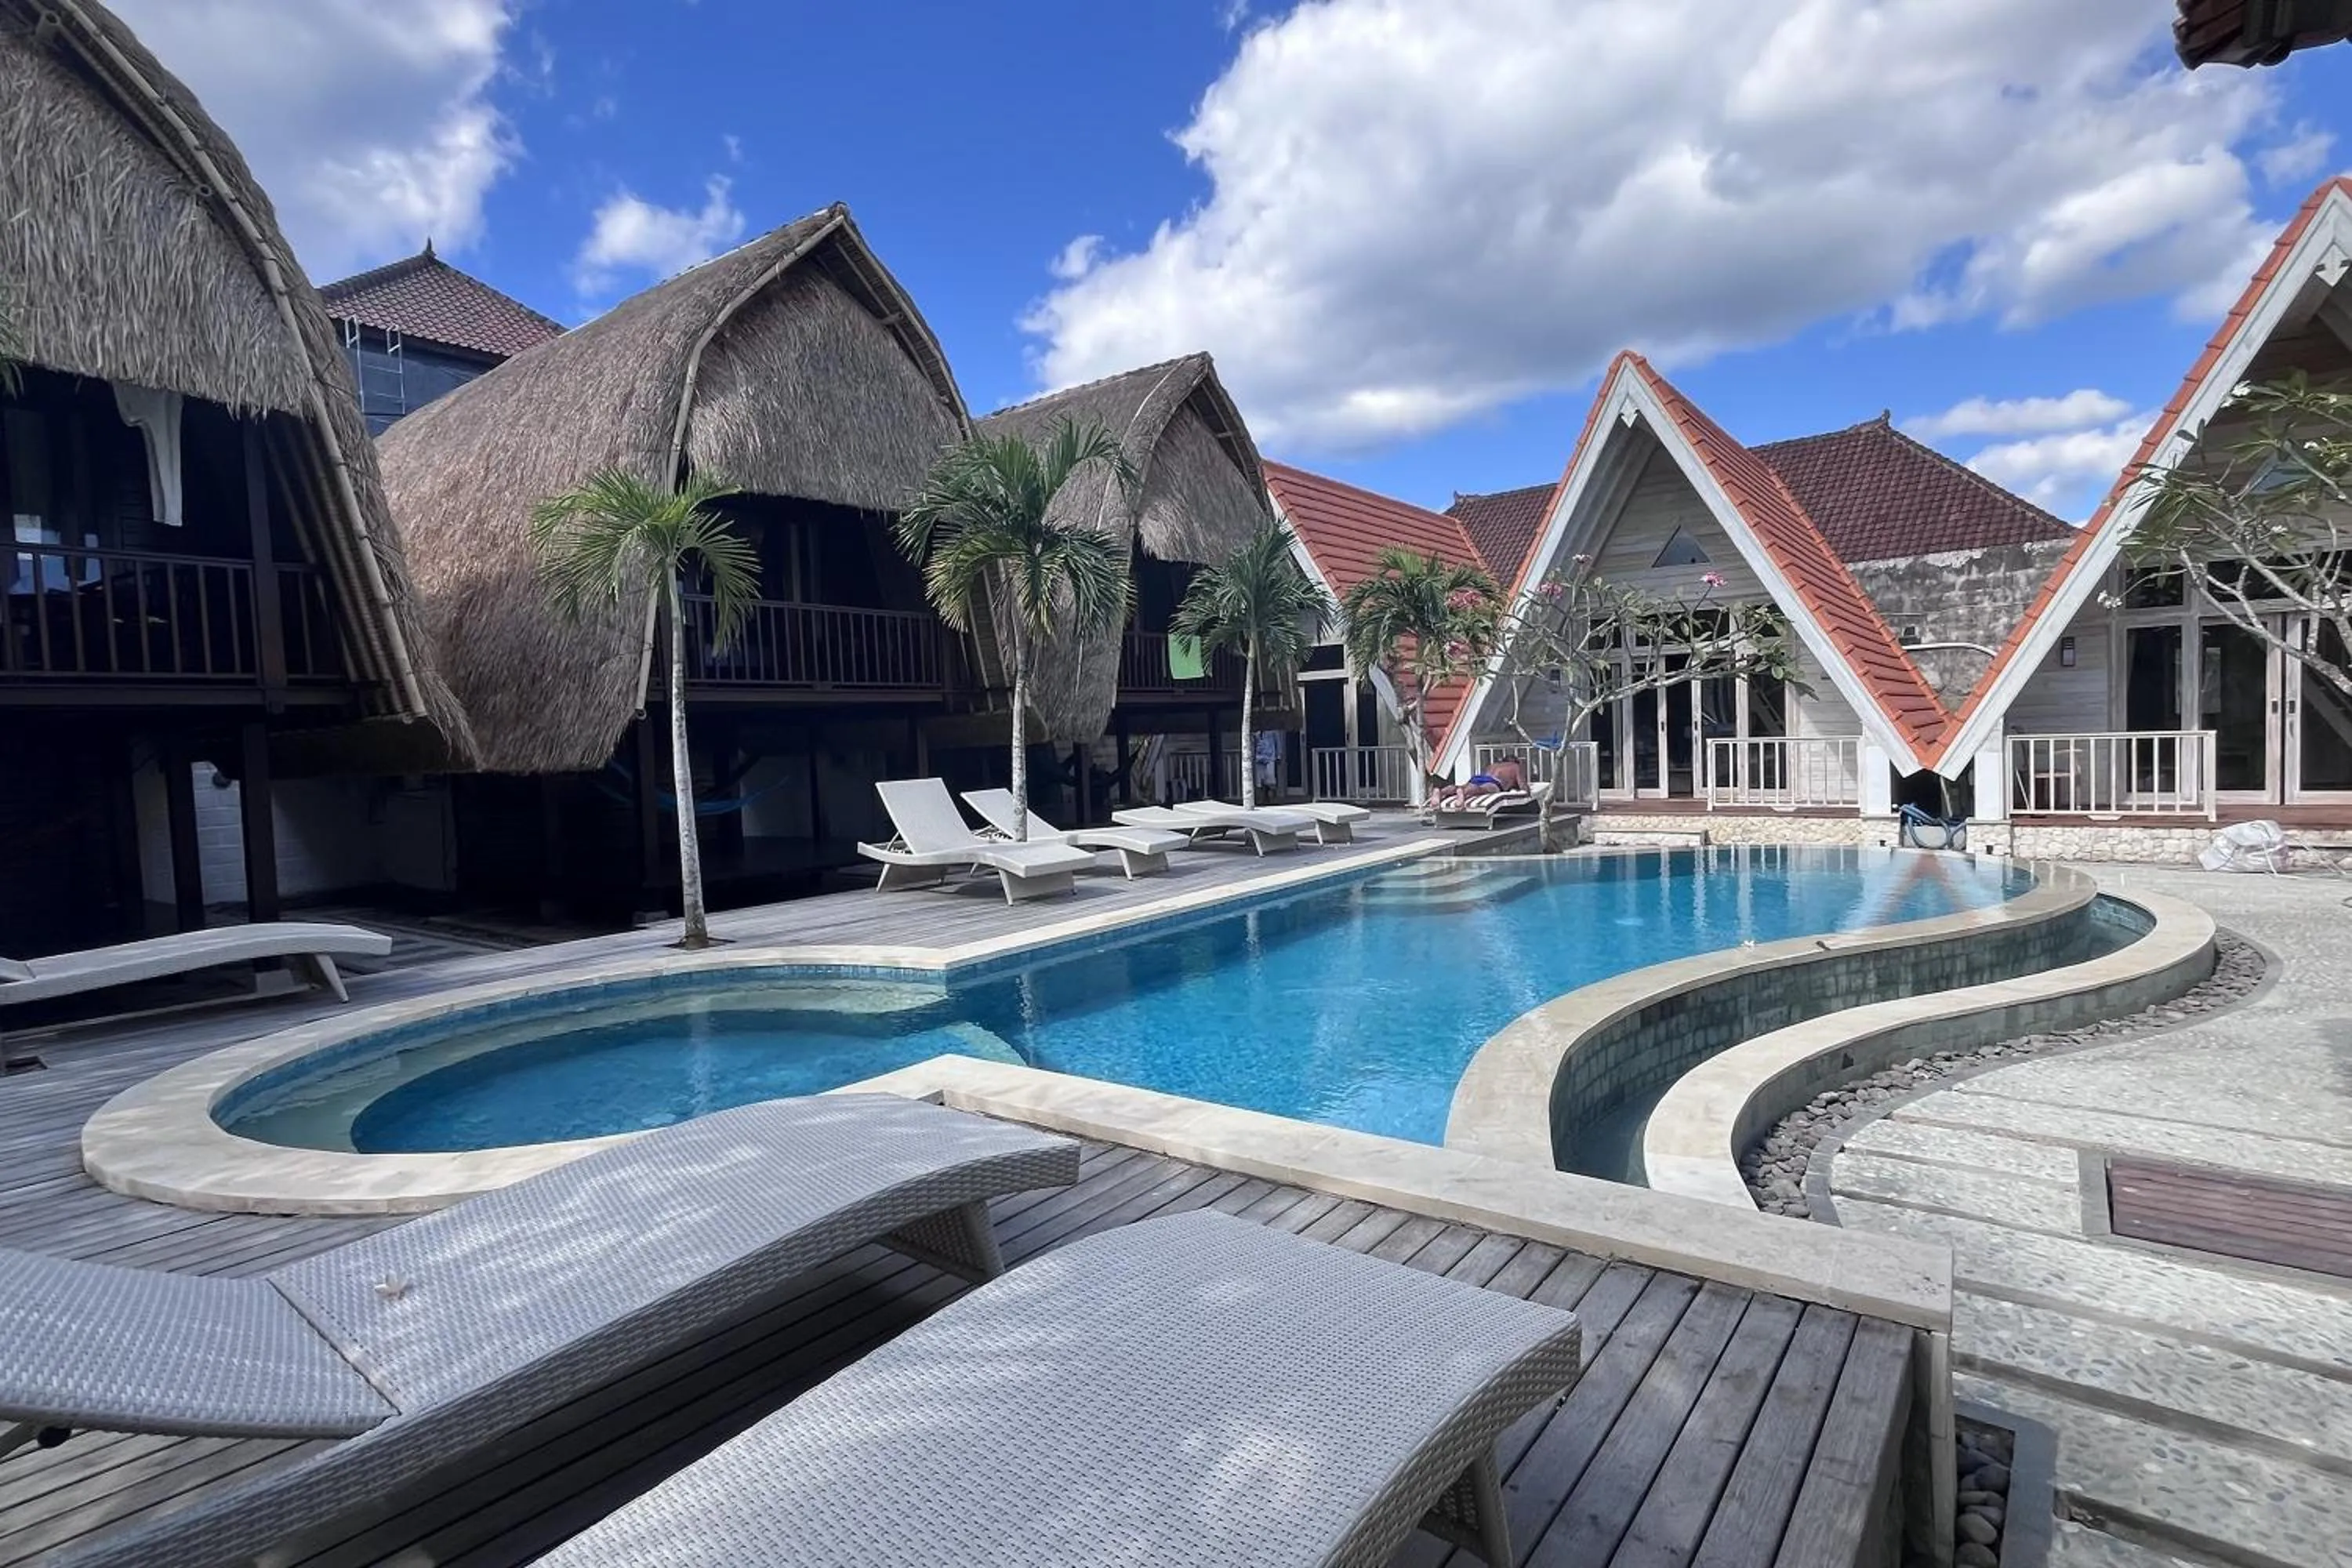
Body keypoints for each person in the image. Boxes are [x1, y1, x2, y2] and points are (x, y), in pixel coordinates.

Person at [1425, 755, 1525, 816]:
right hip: (1494, 782)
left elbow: (1485, 777)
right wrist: (1526, 791)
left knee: (1462, 786)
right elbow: (1522, 785)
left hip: (1479, 777)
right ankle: (1463, 793)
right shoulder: (1515, 766)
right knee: (1482, 789)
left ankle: (1441, 791)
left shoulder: (1493, 765)